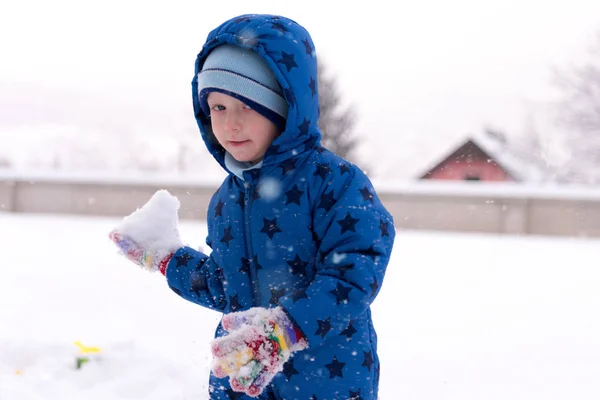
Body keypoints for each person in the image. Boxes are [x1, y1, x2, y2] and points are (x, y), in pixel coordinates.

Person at [109, 13, 395, 400]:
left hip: (326, 383)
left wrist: (286, 329)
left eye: (247, 106)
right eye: (218, 108)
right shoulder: (227, 199)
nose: (230, 125)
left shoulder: (335, 182)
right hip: (243, 384)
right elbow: (225, 285)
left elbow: (355, 274)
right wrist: (167, 260)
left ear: (285, 108)